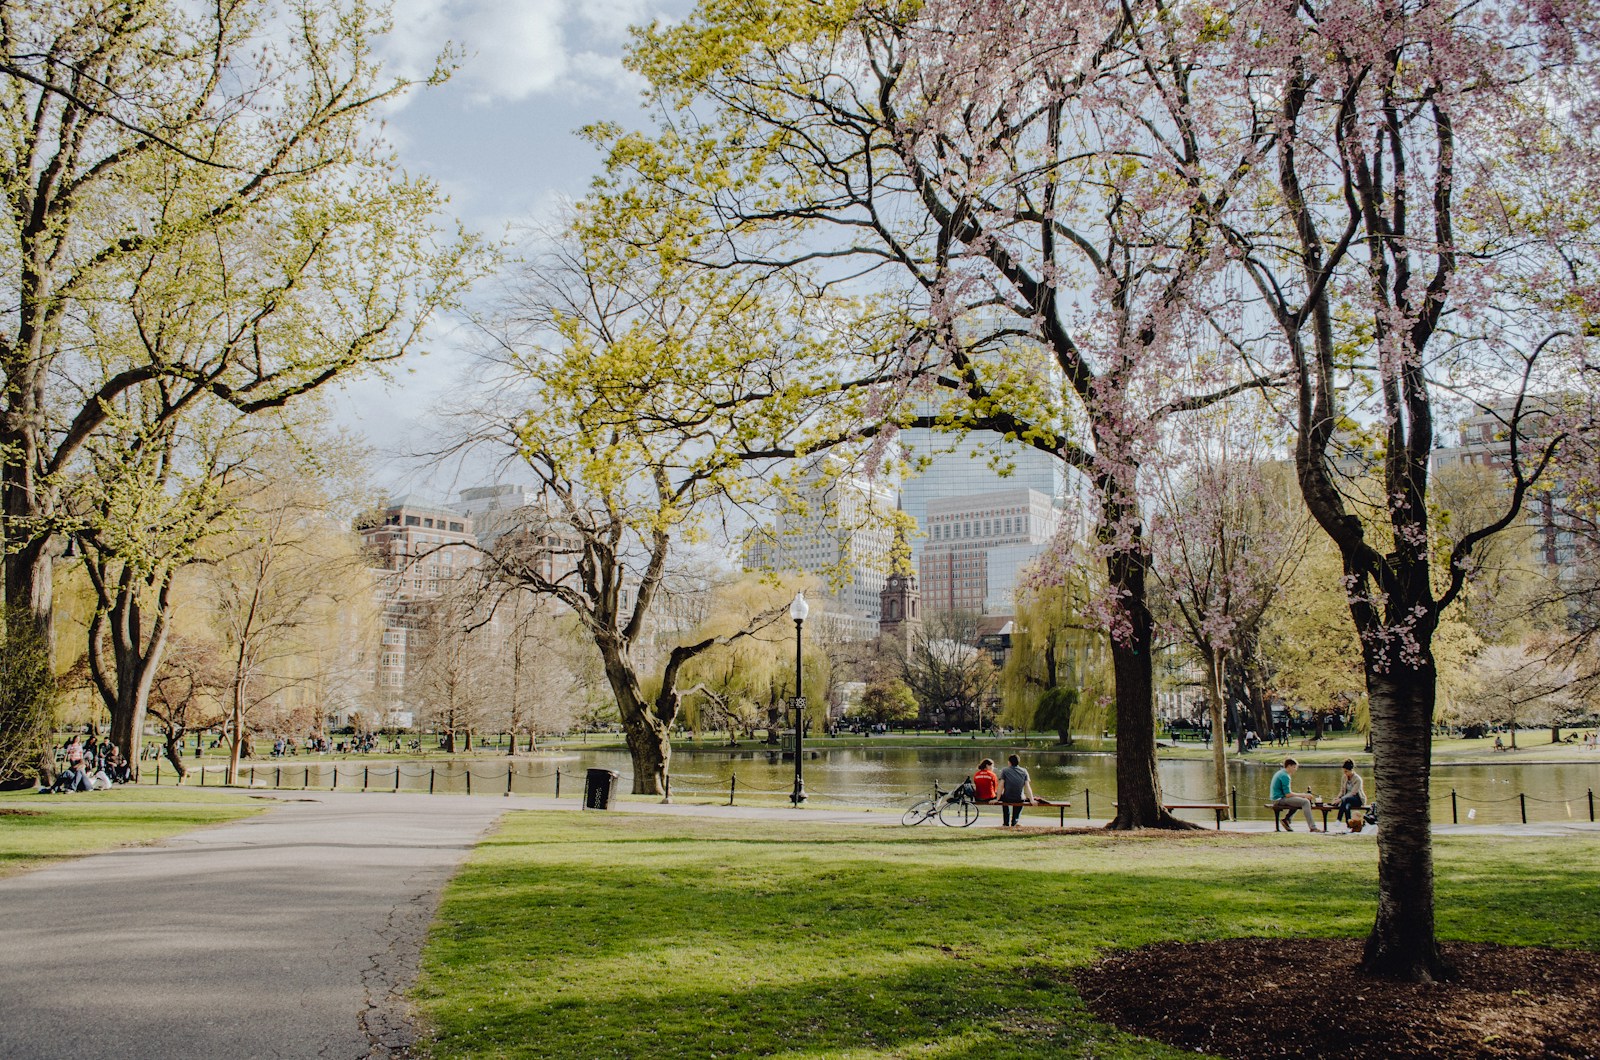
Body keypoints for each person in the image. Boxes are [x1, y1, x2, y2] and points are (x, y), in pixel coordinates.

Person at [1270, 757, 1321, 832]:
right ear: (1289, 766)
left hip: (1277, 798)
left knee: (1298, 801)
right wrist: (1304, 795)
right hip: (1279, 799)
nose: (1295, 769)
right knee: (1305, 802)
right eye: (1294, 767)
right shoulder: (1285, 776)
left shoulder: (1281, 772)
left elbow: (1287, 794)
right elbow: (1288, 794)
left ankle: (1287, 820)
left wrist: (1301, 796)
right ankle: (1312, 827)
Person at [999, 754, 1035, 827]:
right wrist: (1032, 799)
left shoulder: (1005, 770)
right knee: (1022, 797)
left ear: (1009, 762)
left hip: (1007, 798)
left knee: (1004, 799)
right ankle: (1015, 821)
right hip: (1019, 798)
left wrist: (997, 798)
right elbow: (1027, 786)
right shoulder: (1024, 771)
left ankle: (1006, 822)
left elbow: (1001, 785)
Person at [1334, 759, 1365, 828]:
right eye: (1344, 771)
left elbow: (1353, 793)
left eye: (1346, 771)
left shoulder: (1358, 779)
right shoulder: (1344, 777)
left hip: (1357, 799)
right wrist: (1337, 798)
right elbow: (1342, 791)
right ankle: (1349, 825)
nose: (1345, 773)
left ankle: (1339, 819)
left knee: (1345, 800)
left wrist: (1341, 800)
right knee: (1346, 806)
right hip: (1346, 800)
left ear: (1351, 770)